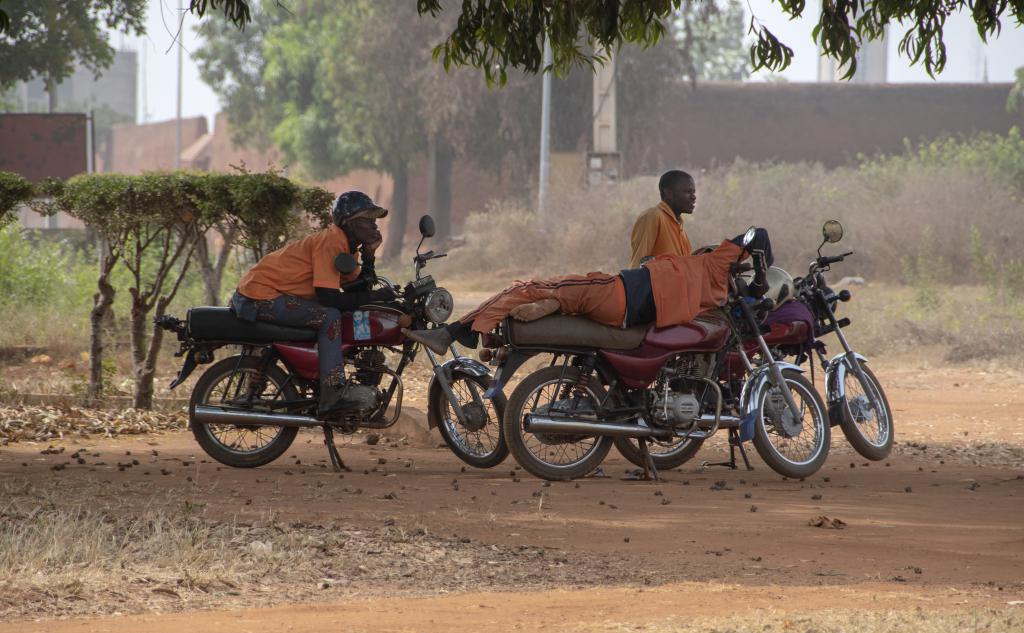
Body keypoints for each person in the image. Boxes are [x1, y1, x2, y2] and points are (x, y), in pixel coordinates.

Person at [404, 229, 773, 354]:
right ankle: (466, 332)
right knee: (545, 295)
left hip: (616, 292)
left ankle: (453, 333)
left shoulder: (712, 264)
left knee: (527, 287)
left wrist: (762, 268)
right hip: (628, 310)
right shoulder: (716, 297)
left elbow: (757, 232)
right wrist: (757, 278)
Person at [230, 190, 397, 418]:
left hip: (272, 294)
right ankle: (332, 394)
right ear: (349, 222)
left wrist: (369, 256)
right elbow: (329, 299)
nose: (374, 226)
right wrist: (377, 297)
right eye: (367, 220)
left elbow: (357, 289)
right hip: (260, 295)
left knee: (344, 313)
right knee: (329, 316)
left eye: (374, 221)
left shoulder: (347, 248)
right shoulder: (332, 241)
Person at [629, 170, 698, 268]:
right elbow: (637, 265)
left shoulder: (680, 228)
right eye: (687, 192)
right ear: (668, 193)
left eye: (693, 192)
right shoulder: (652, 216)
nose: (693, 197)